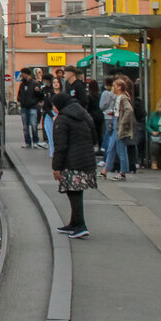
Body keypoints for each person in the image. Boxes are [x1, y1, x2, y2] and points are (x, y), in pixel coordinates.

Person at [51, 92, 97, 238]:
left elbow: (60, 146)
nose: (53, 109)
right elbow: (95, 137)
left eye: (54, 106)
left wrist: (56, 167)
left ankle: (81, 225)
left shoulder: (62, 120)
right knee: (75, 191)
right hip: (86, 159)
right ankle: (74, 223)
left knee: (74, 192)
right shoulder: (84, 114)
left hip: (71, 161)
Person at [103, 78, 133, 181]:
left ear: (119, 87)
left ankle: (123, 172)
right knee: (112, 147)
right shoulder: (119, 97)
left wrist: (123, 121)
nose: (113, 88)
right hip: (116, 122)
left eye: (114, 86)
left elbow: (129, 110)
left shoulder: (123, 97)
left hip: (119, 125)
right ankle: (105, 170)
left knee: (120, 149)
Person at [17, 68, 41, 149]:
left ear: (27, 74)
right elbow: (19, 95)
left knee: (34, 125)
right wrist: (20, 100)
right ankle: (27, 142)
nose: (21, 75)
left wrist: (38, 92)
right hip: (24, 107)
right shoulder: (22, 84)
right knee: (25, 126)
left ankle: (35, 141)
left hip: (33, 107)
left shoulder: (35, 83)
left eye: (22, 73)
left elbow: (40, 96)